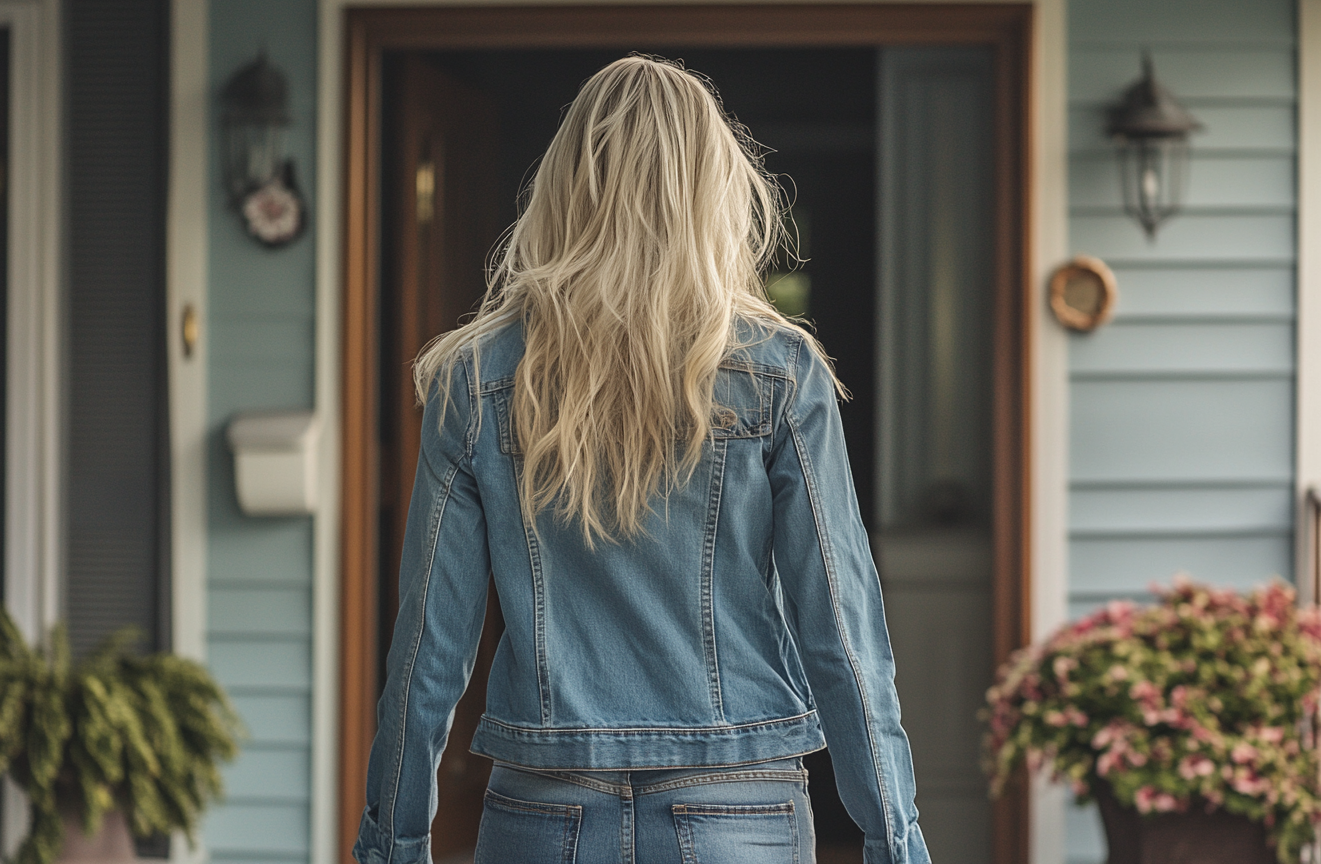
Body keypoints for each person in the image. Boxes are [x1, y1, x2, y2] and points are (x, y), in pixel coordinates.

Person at [352, 55, 931, 864]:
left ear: (562, 190)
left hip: (544, 812)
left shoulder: (474, 378)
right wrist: (895, 839)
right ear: (714, 192)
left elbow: (427, 649)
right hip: (741, 807)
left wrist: (393, 842)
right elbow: (841, 628)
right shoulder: (781, 372)